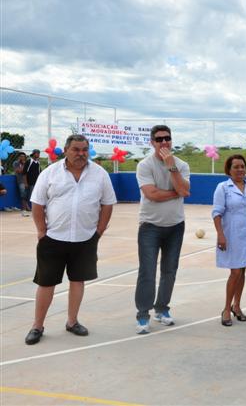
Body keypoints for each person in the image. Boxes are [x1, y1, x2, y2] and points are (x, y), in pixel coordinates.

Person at [24, 135, 116, 345]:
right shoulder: (50, 173)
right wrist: (41, 231)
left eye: (84, 150)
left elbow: (108, 203)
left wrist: (99, 232)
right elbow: (37, 204)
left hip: (85, 239)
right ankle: (37, 326)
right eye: (76, 149)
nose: (81, 154)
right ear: (65, 150)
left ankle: (72, 322)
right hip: (53, 239)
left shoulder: (100, 174)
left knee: (78, 281)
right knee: (46, 283)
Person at [134, 125, 190, 334]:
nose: (164, 142)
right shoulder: (145, 165)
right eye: (159, 139)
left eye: (167, 138)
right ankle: (143, 314)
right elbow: (152, 195)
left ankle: (162, 309)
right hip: (150, 226)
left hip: (175, 226)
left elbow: (185, 190)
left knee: (169, 271)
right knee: (147, 272)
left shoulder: (181, 165)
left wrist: (171, 167)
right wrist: (177, 192)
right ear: (152, 142)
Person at [212, 154, 246, 326]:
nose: (240, 170)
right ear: (229, 170)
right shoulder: (223, 187)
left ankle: (237, 306)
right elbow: (216, 213)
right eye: (236, 167)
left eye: (242, 166)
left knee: (243, 270)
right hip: (231, 235)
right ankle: (226, 308)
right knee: (235, 272)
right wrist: (220, 234)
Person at [13, 152, 30, 216]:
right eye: (21, 156)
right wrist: (23, 165)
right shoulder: (16, 163)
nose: (22, 157)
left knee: (28, 193)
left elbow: (29, 171)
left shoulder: (27, 163)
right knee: (23, 194)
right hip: (21, 181)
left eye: (23, 156)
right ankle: (24, 208)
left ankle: (27, 205)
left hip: (28, 180)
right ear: (19, 157)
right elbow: (18, 171)